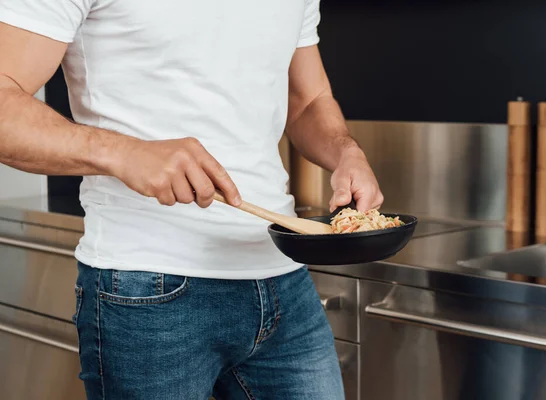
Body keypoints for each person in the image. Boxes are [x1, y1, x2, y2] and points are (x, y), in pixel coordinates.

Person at [0, 1, 383, 399]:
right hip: (148, 287)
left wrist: (345, 151)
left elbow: (307, 100)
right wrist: (125, 152)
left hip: (282, 277)